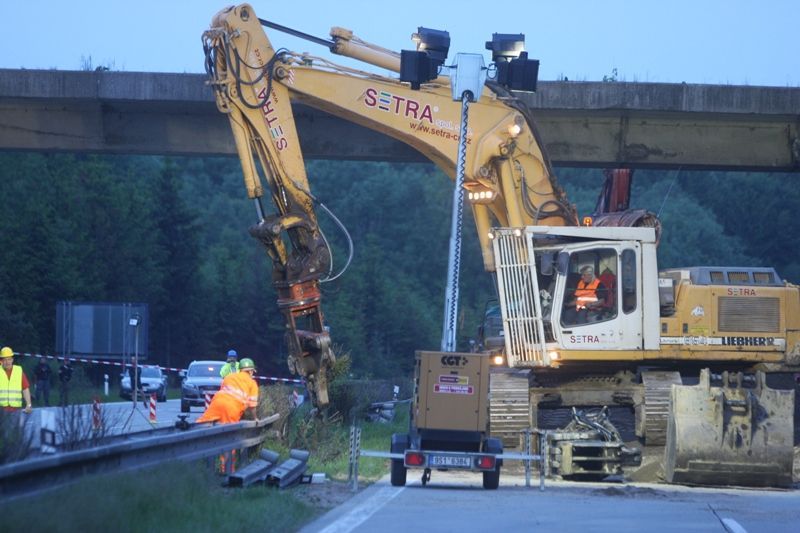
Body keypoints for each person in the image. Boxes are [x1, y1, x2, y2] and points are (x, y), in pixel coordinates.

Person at [198, 358, 259, 424]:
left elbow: (222, 390)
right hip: (232, 408)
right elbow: (252, 405)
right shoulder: (252, 383)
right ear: (250, 371)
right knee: (227, 430)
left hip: (216, 403)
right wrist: (255, 418)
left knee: (203, 424)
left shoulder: (229, 377)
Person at [0, 346, 33, 414]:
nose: (7, 362)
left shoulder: (18, 371)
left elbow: (25, 389)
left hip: (16, 411)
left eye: (9, 359)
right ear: (1, 361)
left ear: (12, 360)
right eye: (5, 360)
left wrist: (29, 405)